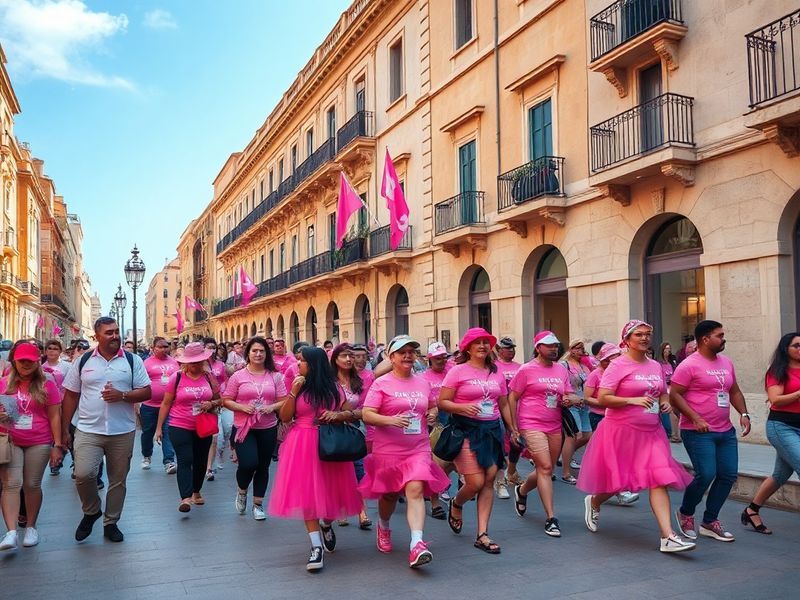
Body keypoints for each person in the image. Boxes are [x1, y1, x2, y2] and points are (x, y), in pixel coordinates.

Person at [578, 320, 695, 553]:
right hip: (620, 430)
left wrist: (665, 404)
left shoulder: (654, 366)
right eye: (639, 334)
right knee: (619, 481)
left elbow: (662, 393)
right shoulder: (618, 366)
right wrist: (632, 400)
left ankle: (668, 536)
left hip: (651, 433)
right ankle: (594, 501)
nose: (644, 338)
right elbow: (603, 398)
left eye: (647, 334)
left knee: (659, 477)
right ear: (627, 339)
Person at [267, 346, 362, 572]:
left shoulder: (334, 388)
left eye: (301, 361)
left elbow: (352, 413)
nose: (298, 364)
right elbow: (285, 416)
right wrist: (292, 391)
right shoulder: (298, 386)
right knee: (308, 495)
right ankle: (316, 546)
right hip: (301, 443)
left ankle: (326, 523)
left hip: (329, 443)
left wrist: (338, 415)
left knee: (330, 494)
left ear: (313, 364)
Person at [360, 336, 449, 568]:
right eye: (403, 352)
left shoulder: (422, 382)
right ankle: (384, 525)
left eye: (412, 351)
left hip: (417, 447)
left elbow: (431, 405)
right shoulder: (381, 383)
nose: (408, 356)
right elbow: (367, 413)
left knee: (416, 489)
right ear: (392, 358)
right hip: (388, 450)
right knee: (389, 495)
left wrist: (432, 413)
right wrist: (390, 420)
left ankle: (417, 544)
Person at [61, 317, 152, 543]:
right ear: (97, 336)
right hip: (88, 429)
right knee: (83, 474)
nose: (115, 336)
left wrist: (122, 396)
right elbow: (71, 394)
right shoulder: (83, 361)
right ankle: (91, 510)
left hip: (122, 431)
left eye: (116, 331)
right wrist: (64, 429)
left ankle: (111, 522)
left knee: (117, 480)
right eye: (109, 333)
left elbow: (147, 392)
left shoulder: (132, 360)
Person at [670, 320, 750, 542]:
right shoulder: (689, 365)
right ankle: (685, 513)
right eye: (720, 335)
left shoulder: (726, 362)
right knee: (706, 474)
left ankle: (709, 520)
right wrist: (695, 418)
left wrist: (744, 414)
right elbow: (674, 394)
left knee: (728, 475)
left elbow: (734, 391)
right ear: (705, 339)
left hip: (725, 431)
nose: (724, 339)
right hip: (697, 432)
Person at [438, 327, 513, 554]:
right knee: (475, 482)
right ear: (467, 348)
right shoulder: (457, 371)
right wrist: (462, 407)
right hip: (466, 429)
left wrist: (513, 428)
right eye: (477, 342)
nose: (482, 346)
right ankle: (457, 503)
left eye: (486, 342)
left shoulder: (496, 371)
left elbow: (503, 403)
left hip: (491, 429)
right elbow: (443, 402)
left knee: (489, 478)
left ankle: (482, 534)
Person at [508, 331, 580, 537]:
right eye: (549, 346)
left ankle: (521, 491)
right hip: (530, 424)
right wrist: (514, 427)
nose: (554, 349)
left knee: (544, 469)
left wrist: (568, 398)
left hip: (554, 425)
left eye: (556, 345)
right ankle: (551, 518)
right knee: (546, 467)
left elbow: (568, 393)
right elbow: (512, 398)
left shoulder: (560, 369)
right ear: (538, 347)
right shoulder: (526, 370)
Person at [0, 343, 63, 550]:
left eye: (30, 360)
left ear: (38, 362)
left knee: (32, 484)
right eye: (21, 361)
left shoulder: (48, 385)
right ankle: (10, 532)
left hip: (39, 440)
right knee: (11, 484)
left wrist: (57, 445)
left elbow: (55, 416)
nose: (26, 364)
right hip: (11, 440)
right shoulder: (3, 384)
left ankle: (31, 527)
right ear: (14, 362)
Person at [741, 331, 800, 534]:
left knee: (780, 475)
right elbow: (775, 399)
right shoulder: (778, 370)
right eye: (797, 346)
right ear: (786, 349)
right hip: (781, 427)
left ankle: (752, 510)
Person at [223, 336, 287, 521]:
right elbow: (226, 400)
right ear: (248, 354)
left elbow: (283, 400)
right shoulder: (238, 376)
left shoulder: (275, 376)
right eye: (254, 351)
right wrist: (242, 407)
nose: (258, 354)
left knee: (263, 466)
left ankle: (258, 505)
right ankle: (242, 490)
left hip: (267, 427)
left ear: (266, 354)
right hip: (244, 427)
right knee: (248, 463)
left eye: (261, 351)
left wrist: (272, 407)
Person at [155, 342, 220, 512]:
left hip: (203, 425)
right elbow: (166, 403)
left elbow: (220, 399)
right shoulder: (176, 378)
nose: (195, 365)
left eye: (198, 361)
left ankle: (196, 490)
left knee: (200, 460)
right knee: (186, 459)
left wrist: (211, 403)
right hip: (179, 424)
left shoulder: (208, 377)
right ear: (185, 362)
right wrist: (159, 428)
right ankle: (185, 498)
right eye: (191, 362)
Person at [584, 343, 639, 506]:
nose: (613, 361)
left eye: (616, 357)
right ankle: (620, 490)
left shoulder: (623, 372)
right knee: (612, 455)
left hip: (621, 418)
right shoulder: (595, 374)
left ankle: (613, 487)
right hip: (599, 417)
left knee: (620, 455)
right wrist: (604, 402)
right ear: (603, 360)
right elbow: (587, 397)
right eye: (609, 359)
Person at [330, 343, 371, 529]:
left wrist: (351, 415)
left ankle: (362, 512)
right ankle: (340, 510)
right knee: (339, 473)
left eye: (350, 356)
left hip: (353, 429)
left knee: (359, 471)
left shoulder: (358, 381)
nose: (348, 359)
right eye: (344, 356)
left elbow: (366, 408)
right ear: (335, 359)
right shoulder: (330, 382)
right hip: (333, 432)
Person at [421, 342, 454, 517]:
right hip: (434, 422)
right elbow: (422, 401)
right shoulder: (423, 377)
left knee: (453, 462)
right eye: (437, 358)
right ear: (429, 359)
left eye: (444, 357)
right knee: (435, 462)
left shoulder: (453, 373)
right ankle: (434, 502)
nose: (441, 360)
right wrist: (430, 413)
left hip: (455, 418)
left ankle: (441, 485)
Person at [140, 337, 179, 474]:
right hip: (149, 405)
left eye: (165, 346)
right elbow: (141, 383)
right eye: (160, 347)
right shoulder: (147, 363)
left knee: (168, 432)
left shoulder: (174, 362)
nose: (163, 349)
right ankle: (146, 455)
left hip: (169, 405)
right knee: (147, 432)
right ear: (153, 348)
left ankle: (169, 461)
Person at [558, 339, 593, 485]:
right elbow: (560, 384)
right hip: (571, 403)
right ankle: (566, 472)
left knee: (587, 435)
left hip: (584, 403)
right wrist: (566, 398)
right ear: (571, 349)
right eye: (577, 348)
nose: (579, 351)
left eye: (582, 348)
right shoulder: (564, 365)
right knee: (573, 436)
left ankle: (564, 455)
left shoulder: (584, 366)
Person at [494, 337, 522, 498]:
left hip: (517, 410)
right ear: (499, 350)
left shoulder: (520, 367)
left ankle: (511, 471)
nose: (511, 350)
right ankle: (500, 479)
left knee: (517, 442)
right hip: (499, 410)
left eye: (513, 348)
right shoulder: (494, 367)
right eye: (507, 348)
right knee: (502, 444)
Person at [204, 337, 231, 480]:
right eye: (208, 347)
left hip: (221, 401)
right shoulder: (200, 365)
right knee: (215, 437)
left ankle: (220, 453)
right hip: (207, 405)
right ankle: (209, 468)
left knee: (228, 428)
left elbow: (225, 379)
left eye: (213, 347)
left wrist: (226, 395)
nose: (211, 350)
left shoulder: (220, 364)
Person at [659, 341, 681, 442]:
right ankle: (673, 434)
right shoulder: (659, 363)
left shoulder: (672, 361)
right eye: (666, 349)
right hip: (664, 388)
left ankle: (676, 433)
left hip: (672, 387)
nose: (668, 351)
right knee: (670, 412)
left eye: (669, 349)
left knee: (677, 411)